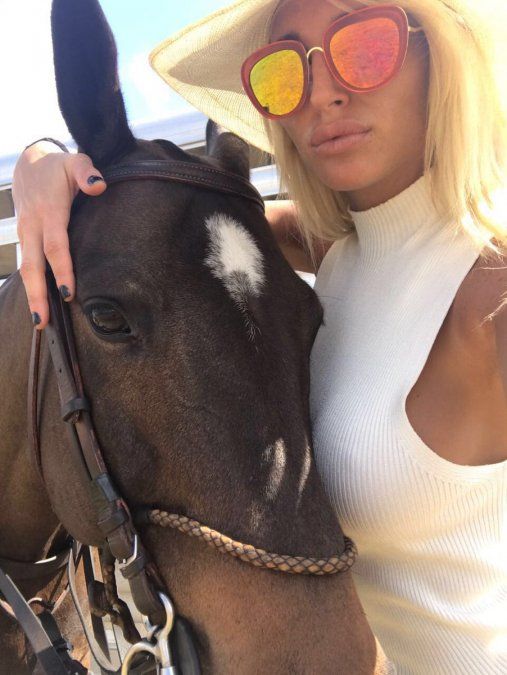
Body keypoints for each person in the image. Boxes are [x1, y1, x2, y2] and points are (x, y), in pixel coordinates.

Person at [12, 0, 507, 672]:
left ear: (438, 57)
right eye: (284, 71)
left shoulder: (489, 295)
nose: (323, 93)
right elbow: (177, 232)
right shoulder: (334, 251)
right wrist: (42, 162)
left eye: (364, 46)